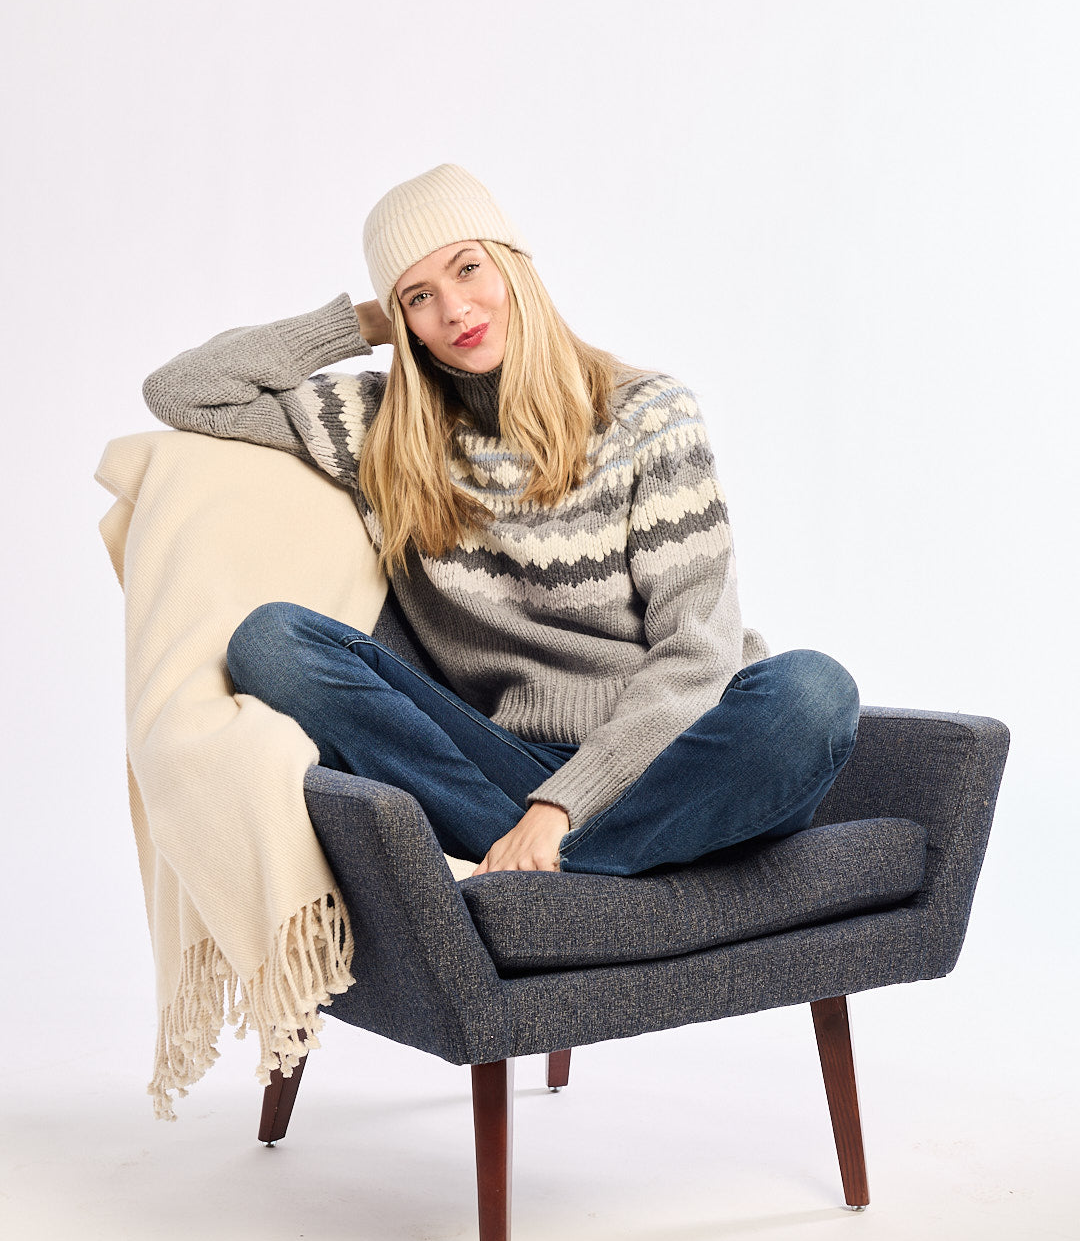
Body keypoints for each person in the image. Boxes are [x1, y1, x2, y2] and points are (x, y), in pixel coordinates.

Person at [142, 162, 859, 878]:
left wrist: (560, 811)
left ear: (513, 264)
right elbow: (183, 391)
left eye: (468, 268)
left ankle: (550, 872)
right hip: (504, 766)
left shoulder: (649, 414)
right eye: (421, 296)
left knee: (813, 693)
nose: (455, 309)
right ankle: (574, 872)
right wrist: (365, 322)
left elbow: (698, 653)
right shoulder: (382, 430)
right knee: (272, 643)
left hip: (677, 758)